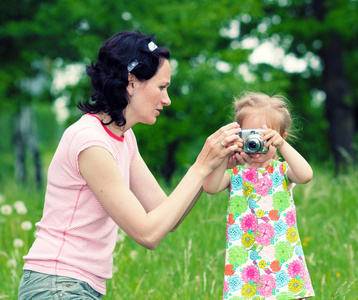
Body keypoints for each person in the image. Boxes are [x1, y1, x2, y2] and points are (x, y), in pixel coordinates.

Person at [17, 31, 246, 299]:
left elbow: (166, 217)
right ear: (132, 82)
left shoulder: (124, 137)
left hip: (74, 286)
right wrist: (199, 165)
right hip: (57, 284)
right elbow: (147, 234)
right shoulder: (90, 142)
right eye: (162, 87)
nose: (167, 99)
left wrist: (212, 167)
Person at [203, 92, 315, 299]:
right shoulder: (235, 173)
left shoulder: (282, 171)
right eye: (250, 135)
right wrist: (225, 157)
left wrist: (282, 145)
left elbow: (306, 175)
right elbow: (210, 187)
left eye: (264, 136)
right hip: (246, 260)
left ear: (281, 137)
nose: (256, 142)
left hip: (283, 255)